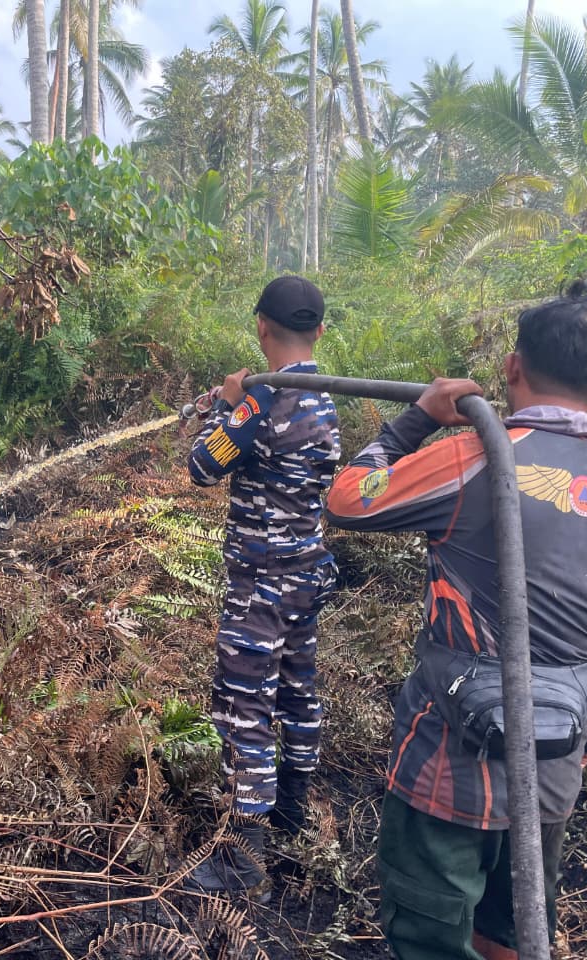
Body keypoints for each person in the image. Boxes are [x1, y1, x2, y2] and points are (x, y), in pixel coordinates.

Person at [324, 282, 587, 960]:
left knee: (431, 938)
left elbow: (347, 500)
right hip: (554, 772)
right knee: (511, 928)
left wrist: (415, 419)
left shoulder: (471, 456)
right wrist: (585, 741)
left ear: (511, 367)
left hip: (449, 767)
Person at [183, 275, 341, 897]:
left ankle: (245, 859)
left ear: (261, 327)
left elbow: (201, 466)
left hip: (261, 586)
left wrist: (227, 406)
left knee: (244, 708)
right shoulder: (326, 397)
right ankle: (294, 816)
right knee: (299, 694)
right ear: (320, 331)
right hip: (306, 574)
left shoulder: (264, 401)